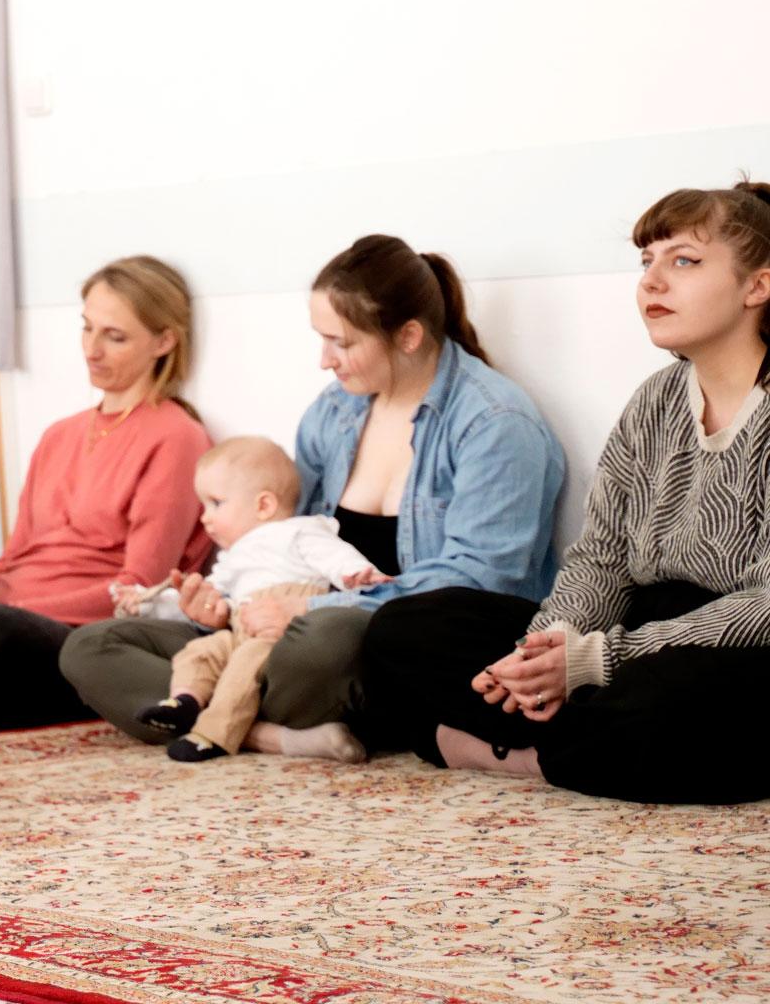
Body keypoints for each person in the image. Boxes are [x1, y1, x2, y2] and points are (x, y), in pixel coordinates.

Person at [62, 235, 565, 760]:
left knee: (327, 639)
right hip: (290, 632)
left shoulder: (493, 422)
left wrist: (314, 607)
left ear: (409, 336)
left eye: (341, 343)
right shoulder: (335, 410)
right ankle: (263, 733)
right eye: (321, 339)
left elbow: (481, 580)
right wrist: (223, 610)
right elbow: (288, 536)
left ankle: (222, 714)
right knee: (92, 645)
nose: (325, 361)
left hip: (385, 642)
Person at [360, 183, 770, 803]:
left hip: (731, 649)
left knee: (670, 700)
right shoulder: (653, 401)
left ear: (757, 286)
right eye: (646, 261)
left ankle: (514, 752)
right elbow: (600, 559)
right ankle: (574, 744)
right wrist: (544, 650)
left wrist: (595, 662)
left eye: (684, 260)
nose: (652, 281)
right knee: (405, 629)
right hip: (630, 633)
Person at [0, 256, 211, 733]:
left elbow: (139, 588)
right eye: (87, 328)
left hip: (77, 634)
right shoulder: (59, 435)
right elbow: (9, 566)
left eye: (115, 336)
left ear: (164, 341)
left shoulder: (177, 437)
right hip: (6, 616)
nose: (92, 350)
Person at [122, 438, 381, 762]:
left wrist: (357, 574)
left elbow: (335, 557)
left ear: (264, 505)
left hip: (281, 631)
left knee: (245, 662)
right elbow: (206, 599)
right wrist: (148, 604)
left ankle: (212, 734)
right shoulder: (231, 558)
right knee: (200, 650)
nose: (205, 518)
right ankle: (185, 701)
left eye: (216, 504)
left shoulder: (299, 532)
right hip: (240, 628)